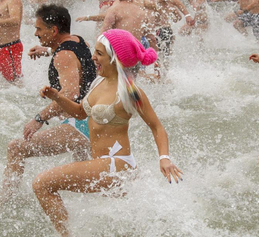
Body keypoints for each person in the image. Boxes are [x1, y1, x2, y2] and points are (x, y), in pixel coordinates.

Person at [34, 29, 182, 236]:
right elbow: (79, 112)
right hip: (104, 164)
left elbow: (156, 126)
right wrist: (56, 97)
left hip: (117, 165)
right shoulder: (98, 82)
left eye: (99, 53)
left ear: (115, 58)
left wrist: (164, 158)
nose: (93, 57)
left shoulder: (130, 91)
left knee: (42, 183)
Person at [0, 5, 97, 205]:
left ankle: (3, 203)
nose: (35, 33)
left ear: (53, 31)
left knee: (16, 148)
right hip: (93, 122)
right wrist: (47, 50)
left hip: (80, 124)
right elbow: (72, 55)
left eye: (39, 29)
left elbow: (70, 92)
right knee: (88, 174)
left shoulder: (63, 55)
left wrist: (39, 118)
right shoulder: (77, 40)